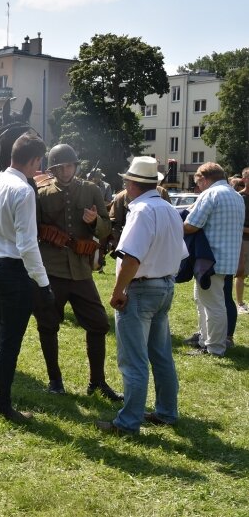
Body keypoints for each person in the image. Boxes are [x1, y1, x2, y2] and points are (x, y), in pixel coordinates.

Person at [95, 156, 189, 435]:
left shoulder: (141, 211)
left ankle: (127, 423)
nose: (124, 184)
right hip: (165, 287)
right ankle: (166, 412)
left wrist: (118, 290)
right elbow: (181, 252)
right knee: (161, 355)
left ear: (133, 184)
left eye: (126, 180)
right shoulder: (169, 209)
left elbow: (131, 259)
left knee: (133, 360)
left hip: (141, 289)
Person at [0, 132, 53, 423]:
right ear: (32, 160)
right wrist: (43, 283)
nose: (38, 168)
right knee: (9, 340)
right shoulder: (24, 190)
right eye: (38, 162)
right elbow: (28, 244)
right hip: (10, 269)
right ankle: (1, 404)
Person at [33, 144, 122, 401]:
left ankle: (97, 382)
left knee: (99, 323)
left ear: (75, 166)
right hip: (52, 270)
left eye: (70, 165)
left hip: (81, 271)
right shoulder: (41, 193)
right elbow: (34, 228)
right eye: (60, 167)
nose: (66, 170)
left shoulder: (92, 190)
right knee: (48, 325)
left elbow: (106, 231)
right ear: (53, 169)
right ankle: (55, 380)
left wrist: (95, 221)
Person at [183, 162, 245, 357]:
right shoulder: (236, 195)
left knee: (213, 305)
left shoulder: (210, 194)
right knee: (204, 300)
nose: (198, 186)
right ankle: (205, 340)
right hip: (226, 258)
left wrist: (181, 220)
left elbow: (191, 225)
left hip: (209, 259)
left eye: (197, 182)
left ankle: (215, 348)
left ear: (204, 178)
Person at [109, 171, 170, 243]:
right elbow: (114, 224)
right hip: (129, 241)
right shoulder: (120, 197)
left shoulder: (162, 192)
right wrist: (120, 242)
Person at [236, 167, 249, 315]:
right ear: (244, 179)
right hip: (243, 240)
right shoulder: (239, 197)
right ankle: (240, 304)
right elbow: (237, 224)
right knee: (241, 273)